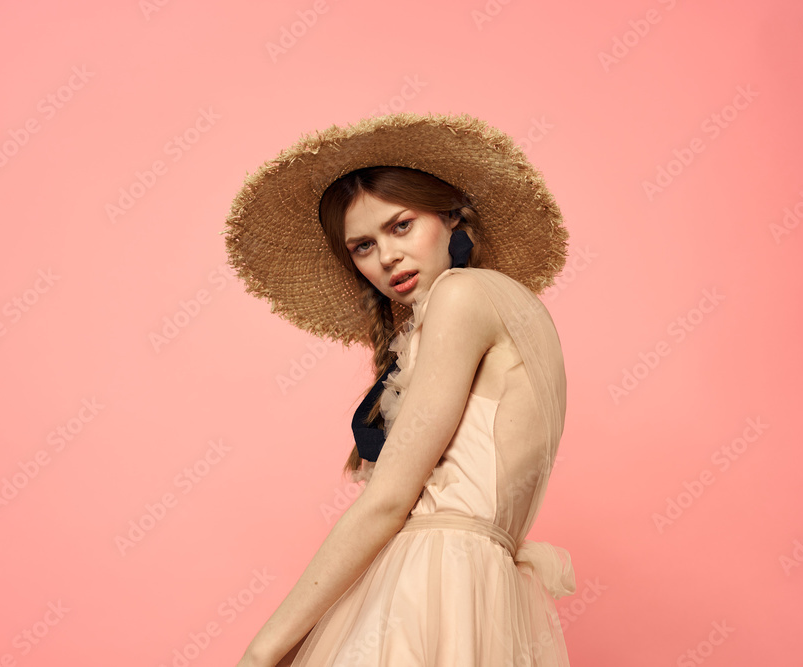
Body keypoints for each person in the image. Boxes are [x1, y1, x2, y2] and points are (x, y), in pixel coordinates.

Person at [223, 112, 574, 666]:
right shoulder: (509, 307)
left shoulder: (461, 297)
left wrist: (264, 648)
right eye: (362, 246)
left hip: (431, 586)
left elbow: (388, 502)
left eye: (401, 226)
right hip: (474, 592)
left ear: (452, 216)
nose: (386, 257)